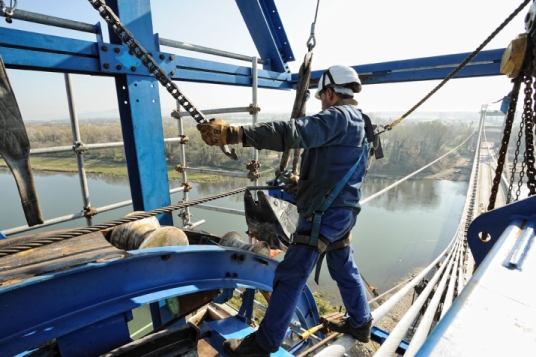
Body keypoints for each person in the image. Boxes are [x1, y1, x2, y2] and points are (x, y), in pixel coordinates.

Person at [197, 65, 373, 357]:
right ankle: (361, 322)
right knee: (343, 267)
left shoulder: (337, 116)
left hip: (322, 217)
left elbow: (292, 132)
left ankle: (263, 344)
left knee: (289, 276)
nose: (320, 103)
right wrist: (301, 185)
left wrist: (235, 134)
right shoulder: (362, 122)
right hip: (343, 214)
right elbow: (339, 167)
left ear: (330, 93)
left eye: (321, 98)